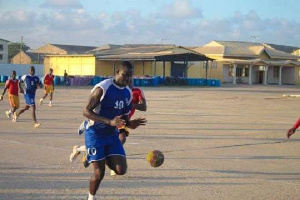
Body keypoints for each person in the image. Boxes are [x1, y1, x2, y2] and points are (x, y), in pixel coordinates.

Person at [82, 61, 146, 200]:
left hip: (111, 134)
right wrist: (109, 121)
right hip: (95, 133)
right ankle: (91, 197)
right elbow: (86, 111)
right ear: (117, 73)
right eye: (125, 75)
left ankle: (96, 155)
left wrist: (130, 124)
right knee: (99, 173)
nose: (127, 79)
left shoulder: (127, 92)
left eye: (130, 76)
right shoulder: (103, 88)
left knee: (120, 170)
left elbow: (124, 114)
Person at [70, 78, 147, 176]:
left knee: (115, 140)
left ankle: (80, 149)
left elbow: (144, 106)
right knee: (120, 138)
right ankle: (110, 162)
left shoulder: (137, 91)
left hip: (123, 120)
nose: (128, 82)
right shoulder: (114, 91)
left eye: (130, 79)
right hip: (111, 119)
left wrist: (128, 104)